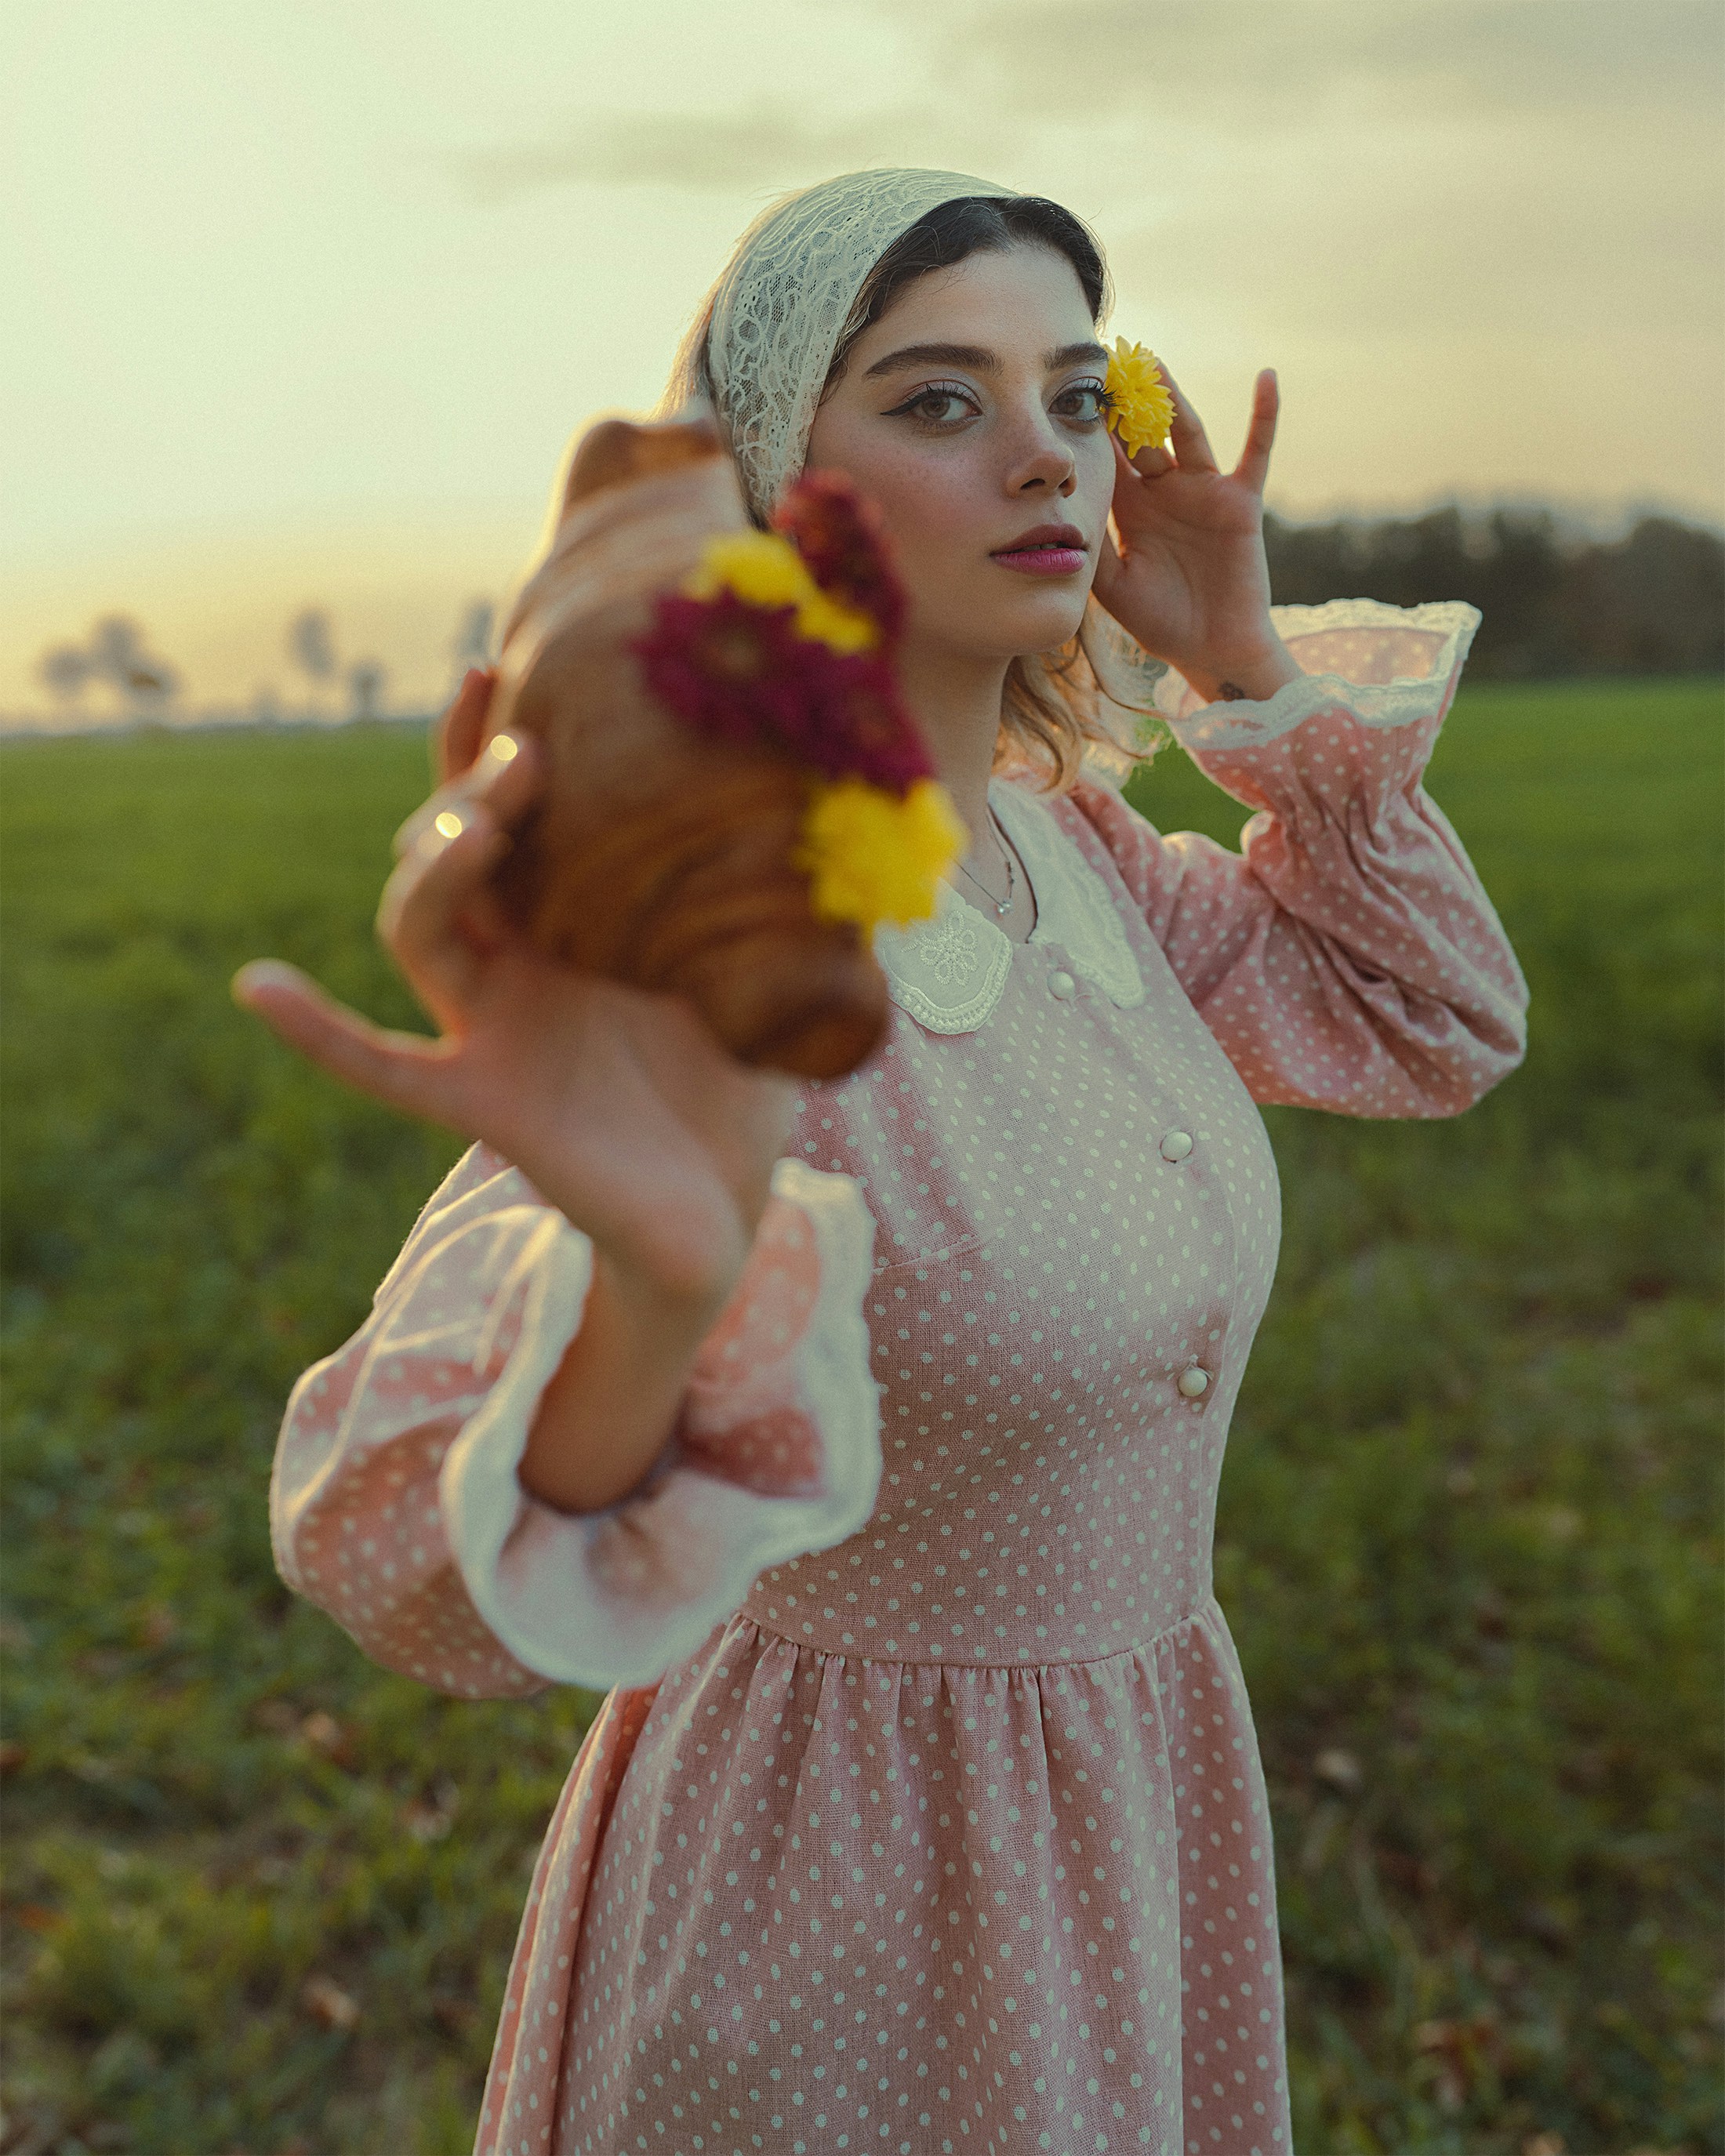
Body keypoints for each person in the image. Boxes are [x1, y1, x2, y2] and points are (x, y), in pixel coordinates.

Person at [234, 168, 1527, 2156]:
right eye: (937, 400)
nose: (1043, 453)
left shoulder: (1079, 861)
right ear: (777, 488)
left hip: (1125, 1822)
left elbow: (1429, 1018)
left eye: (1077, 397)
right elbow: (411, 1562)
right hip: (833, 1908)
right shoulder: (729, 938)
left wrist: (1236, 656)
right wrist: (657, 1281)